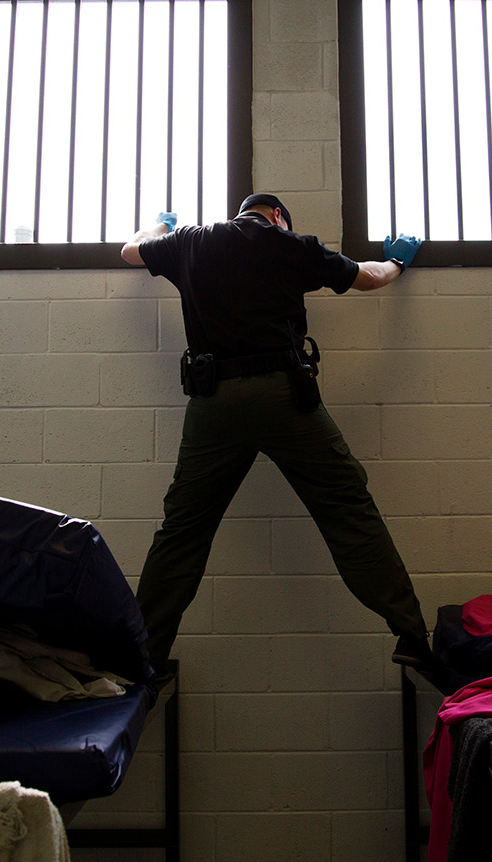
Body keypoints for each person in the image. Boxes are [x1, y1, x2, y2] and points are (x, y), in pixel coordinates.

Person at [120, 193, 434, 674]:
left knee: (181, 533)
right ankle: (411, 634)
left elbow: (130, 251)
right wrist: (396, 260)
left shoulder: (190, 242)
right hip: (285, 398)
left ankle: (141, 660)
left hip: (213, 403)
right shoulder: (292, 245)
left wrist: (160, 227)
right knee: (349, 511)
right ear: (279, 217)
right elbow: (368, 278)